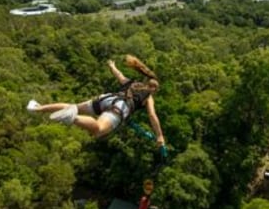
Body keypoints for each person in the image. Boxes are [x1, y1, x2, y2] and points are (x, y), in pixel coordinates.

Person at [27, 55, 166, 149]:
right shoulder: (148, 97)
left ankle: (36, 108)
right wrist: (159, 135)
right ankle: (73, 118)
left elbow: (119, 75)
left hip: (106, 99)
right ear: (154, 89)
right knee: (98, 130)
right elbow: (152, 116)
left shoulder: (133, 83)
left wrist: (112, 66)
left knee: (73, 106)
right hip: (118, 108)